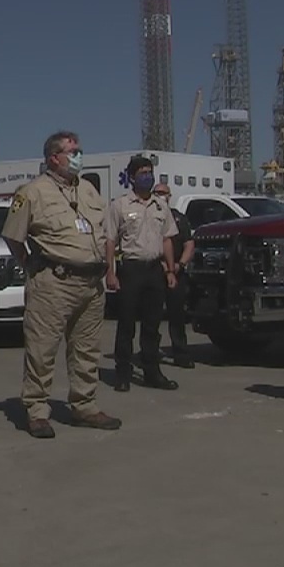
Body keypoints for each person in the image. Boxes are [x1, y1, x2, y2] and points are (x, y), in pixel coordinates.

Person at [1, 131, 122, 439]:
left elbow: (105, 233)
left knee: (87, 350)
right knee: (42, 349)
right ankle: (37, 411)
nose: (79, 156)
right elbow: (13, 236)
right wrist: (30, 264)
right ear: (54, 157)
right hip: (54, 282)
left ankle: (85, 406)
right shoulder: (32, 192)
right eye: (73, 151)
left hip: (91, 284)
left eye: (80, 150)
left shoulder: (90, 190)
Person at [105, 156, 179, 392]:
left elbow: (167, 239)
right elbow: (110, 240)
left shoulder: (160, 206)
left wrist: (170, 269)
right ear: (132, 177)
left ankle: (152, 371)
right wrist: (110, 272)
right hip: (131, 268)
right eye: (143, 172)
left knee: (152, 325)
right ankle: (123, 373)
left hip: (154, 270)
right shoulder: (120, 205)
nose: (147, 176)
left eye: (150, 171)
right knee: (127, 323)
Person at [153, 183, 195, 368]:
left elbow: (189, 244)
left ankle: (181, 354)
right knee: (151, 316)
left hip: (177, 271)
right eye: (157, 193)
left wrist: (180, 264)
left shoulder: (179, 218)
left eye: (163, 193)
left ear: (170, 196)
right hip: (154, 270)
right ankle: (150, 353)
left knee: (177, 315)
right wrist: (162, 265)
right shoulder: (149, 216)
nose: (160, 196)